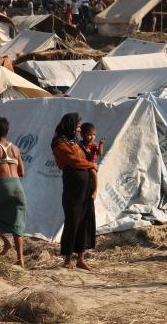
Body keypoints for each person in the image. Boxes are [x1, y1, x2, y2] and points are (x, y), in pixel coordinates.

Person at [52, 113, 97, 270]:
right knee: (73, 220)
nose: (79, 129)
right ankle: (68, 258)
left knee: (86, 220)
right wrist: (91, 166)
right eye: (77, 126)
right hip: (73, 188)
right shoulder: (59, 143)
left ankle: (81, 258)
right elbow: (74, 161)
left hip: (86, 188)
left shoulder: (75, 142)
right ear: (70, 125)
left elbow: (88, 157)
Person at [0, 117, 27, 266]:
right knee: (18, 222)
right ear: (7, 131)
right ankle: (20, 259)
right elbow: (22, 172)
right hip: (18, 186)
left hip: (3, 185)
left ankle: (6, 243)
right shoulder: (16, 149)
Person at [80, 122, 105, 200]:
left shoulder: (93, 145)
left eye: (94, 135)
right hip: (82, 164)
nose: (92, 137)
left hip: (91, 164)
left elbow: (99, 153)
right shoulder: (80, 144)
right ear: (82, 135)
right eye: (90, 135)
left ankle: (95, 191)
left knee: (93, 174)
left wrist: (101, 145)